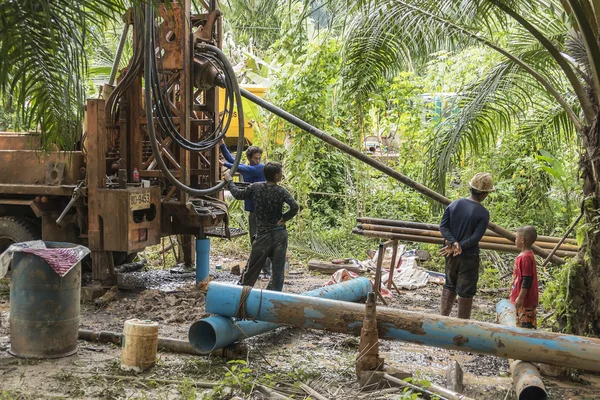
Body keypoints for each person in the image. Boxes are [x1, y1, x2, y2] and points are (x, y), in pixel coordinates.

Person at [224, 162, 298, 291]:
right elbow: (295, 206)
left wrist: (230, 181)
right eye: (280, 172)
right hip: (279, 234)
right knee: (278, 270)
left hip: (263, 235)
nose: (282, 174)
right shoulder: (281, 191)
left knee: (252, 268)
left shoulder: (256, 187)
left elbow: (237, 194)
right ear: (276, 176)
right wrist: (284, 218)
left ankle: (242, 295)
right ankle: (272, 298)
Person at [438, 172, 495, 319]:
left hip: (450, 253)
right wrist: (460, 246)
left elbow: (443, 227)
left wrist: (453, 244)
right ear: (484, 194)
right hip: (468, 256)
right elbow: (475, 238)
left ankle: (443, 318)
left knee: (450, 283)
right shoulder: (483, 213)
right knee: (466, 291)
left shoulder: (454, 204)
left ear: (470, 188)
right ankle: (462, 327)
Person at [220, 141, 272, 277]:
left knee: (263, 242)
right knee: (255, 242)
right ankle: (260, 269)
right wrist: (222, 145)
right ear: (249, 158)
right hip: (253, 212)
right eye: (255, 158)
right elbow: (233, 160)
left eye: (259, 158)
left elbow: (237, 166)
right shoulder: (247, 167)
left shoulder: (259, 168)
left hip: (263, 213)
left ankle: (267, 271)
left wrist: (223, 165)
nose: (258, 160)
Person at [510, 225, 539, 329]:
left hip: (525, 301)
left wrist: (521, 297)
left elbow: (527, 279)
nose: (515, 240)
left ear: (522, 240)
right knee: (520, 324)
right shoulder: (524, 255)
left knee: (526, 326)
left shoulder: (526, 257)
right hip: (522, 300)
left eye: (516, 237)